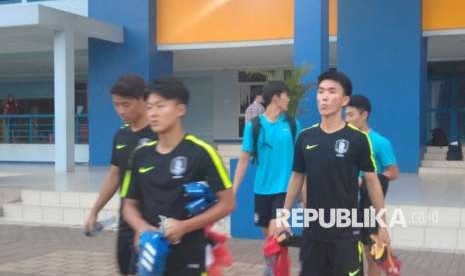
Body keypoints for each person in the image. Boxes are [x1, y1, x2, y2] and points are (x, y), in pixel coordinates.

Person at [280, 70, 390, 276]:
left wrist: (382, 224)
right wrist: (283, 216)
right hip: (313, 234)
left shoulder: (358, 139)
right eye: (321, 92)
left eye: (332, 92)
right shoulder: (305, 137)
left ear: (344, 100)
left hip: (346, 235)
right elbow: (297, 176)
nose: (324, 97)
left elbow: (372, 181)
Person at [121, 77, 234, 276]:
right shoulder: (140, 155)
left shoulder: (201, 152)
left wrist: (184, 226)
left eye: (160, 106)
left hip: (188, 257)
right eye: (149, 107)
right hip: (148, 257)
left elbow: (227, 203)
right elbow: (128, 205)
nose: (153, 113)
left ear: (180, 110)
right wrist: (143, 228)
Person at [83, 74, 156, 276]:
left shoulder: (159, 133)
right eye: (116, 105)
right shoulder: (121, 135)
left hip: (155, 219)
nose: (120, 110)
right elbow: (114, 175)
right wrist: (95, 210)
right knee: (126, 269)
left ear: (143, 99)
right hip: (127, 218)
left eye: (126, 104)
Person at [232, 80, 300, 272]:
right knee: (270, 237)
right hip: (262, 189)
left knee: (274, 232)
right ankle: (278, 270)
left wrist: (303, 194)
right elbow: (244, 160)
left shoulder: (293, 125)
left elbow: (301, 163)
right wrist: (233, 190)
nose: (288, 99)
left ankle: (269, 272)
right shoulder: (254, 126)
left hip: (285, 190)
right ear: (276, 98)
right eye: (286, 95)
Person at [345, 94, 398, 276]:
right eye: (346, 115)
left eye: (351, 115)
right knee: (349, 251)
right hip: (347, 204)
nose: (347, 119)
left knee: (371, 251)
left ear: (364, 115)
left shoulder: (380, 142)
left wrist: (368, 180)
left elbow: (392, 172)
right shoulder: (345, 141)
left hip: (369, 206)